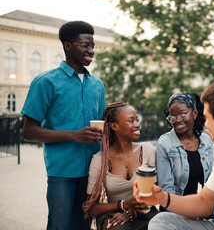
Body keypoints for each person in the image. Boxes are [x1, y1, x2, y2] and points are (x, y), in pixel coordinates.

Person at [132, 78, 214, 230]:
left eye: (207, 117)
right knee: (161, 221)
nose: (205, 124)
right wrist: (162, 197)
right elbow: (205, 202)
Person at [21, 21, 106, 230]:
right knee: (60, 225)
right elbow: (29, 131)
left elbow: (105, 124)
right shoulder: (45, 82)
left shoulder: (97, 85)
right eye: (85, 45)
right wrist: (73, 135)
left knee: (84, 225)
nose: (91, 51)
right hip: (62, 173)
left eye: (93, 46)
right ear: (68, 46)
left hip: (92, 171)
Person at [83, 102, 157, 230]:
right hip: (113, 215)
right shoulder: (100, 160)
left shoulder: (147, 150)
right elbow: (91, 209)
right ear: (114, 126)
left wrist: (130, 212)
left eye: (137, 120)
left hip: (144, 212)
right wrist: (124, 205)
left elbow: (153, 193)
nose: (137, 125)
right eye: (131, 121)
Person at [155, 92, 214, 205]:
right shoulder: (165, 144)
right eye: (173, 117)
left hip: (201, 208)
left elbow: (212, 182)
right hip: (174, 210)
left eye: (182, 115)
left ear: (195, 113)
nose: (177, 120)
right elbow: (167, 188)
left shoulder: (206, 141)